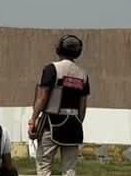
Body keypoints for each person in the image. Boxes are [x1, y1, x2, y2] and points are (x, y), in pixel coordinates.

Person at [28, 35, 89, 176]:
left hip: (51, 123)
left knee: (44, 165)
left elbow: (42, 97)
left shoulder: (52, 69)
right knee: (70, 169)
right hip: (74, 125)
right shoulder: (83, 74)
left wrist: (34, 119)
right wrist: (78, 122)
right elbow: (83, 105)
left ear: (59, 49)